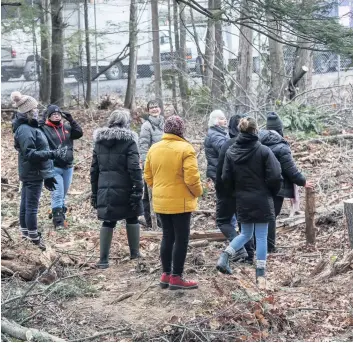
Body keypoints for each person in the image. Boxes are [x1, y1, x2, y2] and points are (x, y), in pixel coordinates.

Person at [216, 117, 282, 287]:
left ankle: (225, 257)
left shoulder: (231, 152)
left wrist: (235, 193)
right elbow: (275, 176)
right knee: (261, 236)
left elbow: (225, 178)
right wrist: (271, 192)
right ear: (255, 131)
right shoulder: (264, 151)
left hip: (242, 199)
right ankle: (260, 276)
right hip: (261, 198)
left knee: (245, 234)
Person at [144, 116, 203, 290]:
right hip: (181, 202)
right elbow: (192, 178)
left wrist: (159, 189)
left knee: (167, 236)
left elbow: (147, 175)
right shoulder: (186, 149)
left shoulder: (154, 148)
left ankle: (165, 274)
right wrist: (198, 193)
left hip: (161, 201)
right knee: (181, 239)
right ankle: (176, 277)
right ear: (181, 130)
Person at [11, 92, 67, 250]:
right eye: (35, 108)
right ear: (29, 111)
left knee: (25, 204)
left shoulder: (28, 127)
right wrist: (51, 153)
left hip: (33, 172)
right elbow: (29, 154)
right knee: (31, 206)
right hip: (33, 172)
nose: (37, 111)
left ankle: (25, 234)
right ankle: (33, 237)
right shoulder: (25, 129)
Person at [90, 109, 143, 269]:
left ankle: (103, 260)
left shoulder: (99, 142)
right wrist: (138, 188)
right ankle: (135, 254)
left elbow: (94, 170)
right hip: (125, 188)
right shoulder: (129, 141)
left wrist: (94, 192)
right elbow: (134, 167)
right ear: (126, 123)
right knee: (132, 217)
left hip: (105, 189)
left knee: (108, 221)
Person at [259, 112, 314, 252]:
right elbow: (290, 170)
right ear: (279, 129)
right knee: (271, 216)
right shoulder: (281, 147)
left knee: (262, 216)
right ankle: (269, 247)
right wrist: (303, 181)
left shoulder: (258, 142)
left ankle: (258, 244)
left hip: (259, 185)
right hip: (277, 186)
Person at [215, 114, 254, 263]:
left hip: (228, 191)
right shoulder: (255, 145)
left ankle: (239, 248)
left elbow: (220, 172)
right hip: (248, 191)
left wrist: (220, 192)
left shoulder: (228, 145)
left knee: (223, 220)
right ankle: (249, 256)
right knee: (244, 223)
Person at [41, 105, 83, 230]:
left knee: (63, 193)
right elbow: (37, 129)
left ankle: (60, 214)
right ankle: (58, 222)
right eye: (53, 114)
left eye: (58, 113)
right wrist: (42, 118)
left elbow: (79, 133)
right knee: (58, 194)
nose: (56, 115)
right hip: (54, 166)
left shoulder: (67, 127)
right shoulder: (45, 128)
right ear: (49, 116)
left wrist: (71, 120)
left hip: (68, 166)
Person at [139, 99, 164, 228]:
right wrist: (145, 164)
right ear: (148, 111)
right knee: (149, 193)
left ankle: (163, 219)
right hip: (152, 164)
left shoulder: (165, 123)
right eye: (151, 108)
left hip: (165, 164)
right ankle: (150, 220)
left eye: (156, 107)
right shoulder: (146, 126)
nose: (154, 109)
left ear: (160, 108)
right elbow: (143, 147)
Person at [204, 109, 228, 182]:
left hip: (217, 170)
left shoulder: (218, 132)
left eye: (225, 118)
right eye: (222, 118)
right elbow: (225, 150)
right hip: (217, 171)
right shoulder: (215, 135)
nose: (225, 120)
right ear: (215, 121)